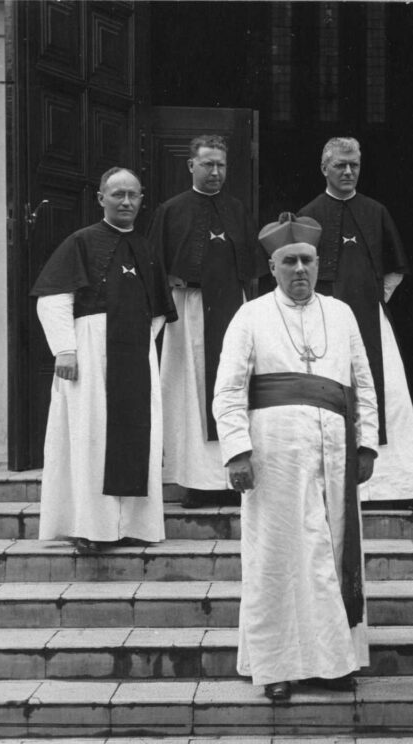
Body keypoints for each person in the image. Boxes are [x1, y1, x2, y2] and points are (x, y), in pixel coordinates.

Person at [212, 213, 378, 702]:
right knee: (278, 555)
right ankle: (275, 664)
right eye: (289, 261)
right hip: (273, 454)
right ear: (272, 266)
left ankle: (331, 661)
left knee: (329, 550)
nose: (299, 269)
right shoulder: (251, 315)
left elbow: (363, 382)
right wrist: (237, 452)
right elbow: (228, 389)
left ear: (319, 262)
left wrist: (366, 443)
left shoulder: (342, 313)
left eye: (307, 259)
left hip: (334, 451)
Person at [32, 167, 176, 553]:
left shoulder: (146, 249)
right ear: (101, 199)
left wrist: (137, 343)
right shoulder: (80, 242)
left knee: (136, 435)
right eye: (117, 194)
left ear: (142, 199)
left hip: (134, 351)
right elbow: (54, 299)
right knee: (90, 436)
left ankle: (133, 526)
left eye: (133, 195)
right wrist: (65, 348)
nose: (126, 202)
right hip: (90, 352)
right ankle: (89, 526)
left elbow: (160, 310)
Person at [295, 137, 413, 507]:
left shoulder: (376, 211)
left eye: (354, 165)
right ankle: (328, 488)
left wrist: (371, 299)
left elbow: (394, 271)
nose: (349, 172)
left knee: (390, 398)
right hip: (323, 324)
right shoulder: (309, 214)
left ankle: (395, 487)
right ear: (325, 168)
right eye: (340, 166)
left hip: (371, 319)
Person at [149, 134, 261, 509]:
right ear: (191, 166)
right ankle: (195, 480)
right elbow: (156, 265)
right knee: (189, 393)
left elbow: (251, 268)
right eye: (208, 164)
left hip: (231, 308)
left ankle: (233, 479)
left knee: (232, 387)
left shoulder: (237, 209)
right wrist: (169, 280)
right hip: (189, 312)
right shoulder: (171, 210)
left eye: (221, 165)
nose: (215, 172)